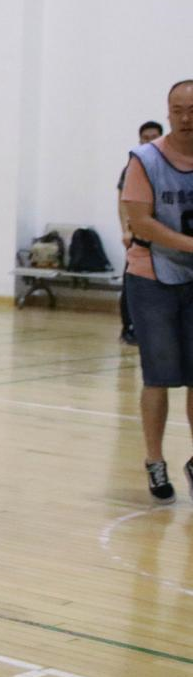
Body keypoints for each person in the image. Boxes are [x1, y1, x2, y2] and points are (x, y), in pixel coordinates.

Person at [122, 80, 193, 504]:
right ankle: (155, 459)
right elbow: (141, 222)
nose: (186, 118)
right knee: (159, 376)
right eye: (178, 110)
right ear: (168, 113)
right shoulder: (145, 159)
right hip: (152, 277)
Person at [117, 121, 164, 344]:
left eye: (154, 137)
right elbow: (122, 201)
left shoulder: (173, 164)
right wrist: (126, 230)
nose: (150, 141)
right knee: (132, 282)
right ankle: (129, 327)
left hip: (165, 237)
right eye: (145, 138)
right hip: (139, 237)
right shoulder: (133, 166)